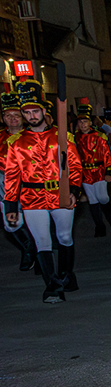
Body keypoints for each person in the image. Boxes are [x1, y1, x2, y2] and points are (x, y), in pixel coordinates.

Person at [6, 78, 84, 303]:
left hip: (60, 193)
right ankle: (52, 285)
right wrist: (11, 205)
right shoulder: (16, 143)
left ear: (43, 111)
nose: (31, 116)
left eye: (35, 111)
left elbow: (75, 166)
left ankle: (67, 274)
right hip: (31, 197)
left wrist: (74, 191)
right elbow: (12, 175)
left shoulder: (62, 137)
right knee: (42, 242)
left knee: (64, 236)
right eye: (27, 112)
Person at [73, 98, 111, 238]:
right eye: (80, 122)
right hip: (86, 173)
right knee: (92, 200)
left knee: (102, 197)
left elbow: (107, 155)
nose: (83, 124)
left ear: (90, 122)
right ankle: (99, 226)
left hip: (99, 171)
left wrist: (109, 171)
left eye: (85, 121)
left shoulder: (99, 136)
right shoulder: (75, 138)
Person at [0, 91, 35, 271]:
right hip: (4, 186)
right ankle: (28, 248)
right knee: (11, 225)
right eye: (8, 115)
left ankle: (40, 256)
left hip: (31, 185)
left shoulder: (34, 136)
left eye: (16, 115)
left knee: (35, 223)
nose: (12, 119)